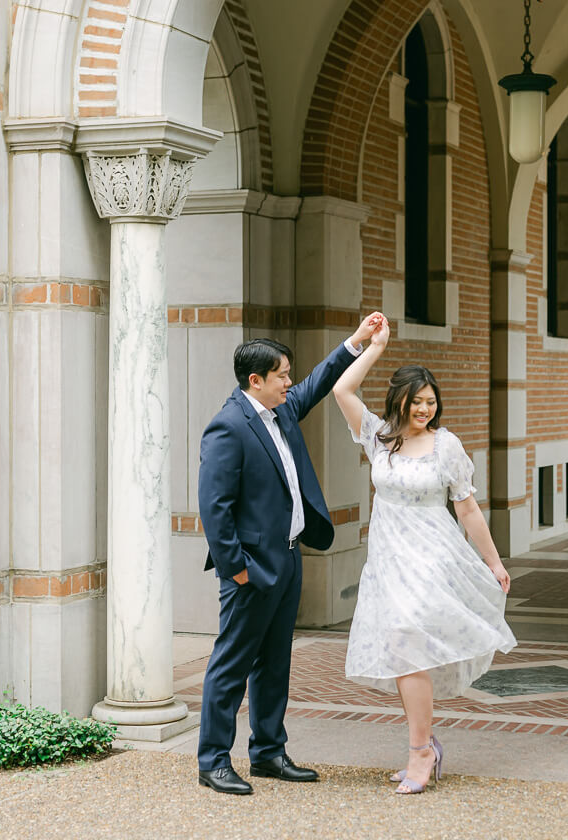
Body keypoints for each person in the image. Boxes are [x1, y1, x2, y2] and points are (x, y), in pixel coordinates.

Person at [197, 314, 384, 795]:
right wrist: (237, 570)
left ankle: (267, 753)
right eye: (282, 375)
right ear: (255, 381)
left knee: (275, 661)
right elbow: (214, 508)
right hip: (252, 570)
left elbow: (318, 383)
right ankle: (214, 761)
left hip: (289, 559)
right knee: (232, 664)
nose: (289, 382)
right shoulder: (228, 426)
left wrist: (356, 342)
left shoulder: (279, 409)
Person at [332, 316, 516, 794]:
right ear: (399, 403)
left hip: (432, 553)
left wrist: (494, 562)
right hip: (389, 558)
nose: (424, 410)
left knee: (410, 641)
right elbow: (342, 390)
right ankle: (425, 743)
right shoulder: (380, 439)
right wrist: (373, 346)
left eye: (430, 402)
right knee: (400, 646)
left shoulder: (445, 445)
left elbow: (469, 508)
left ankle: (419, 754)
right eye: (416, 403)